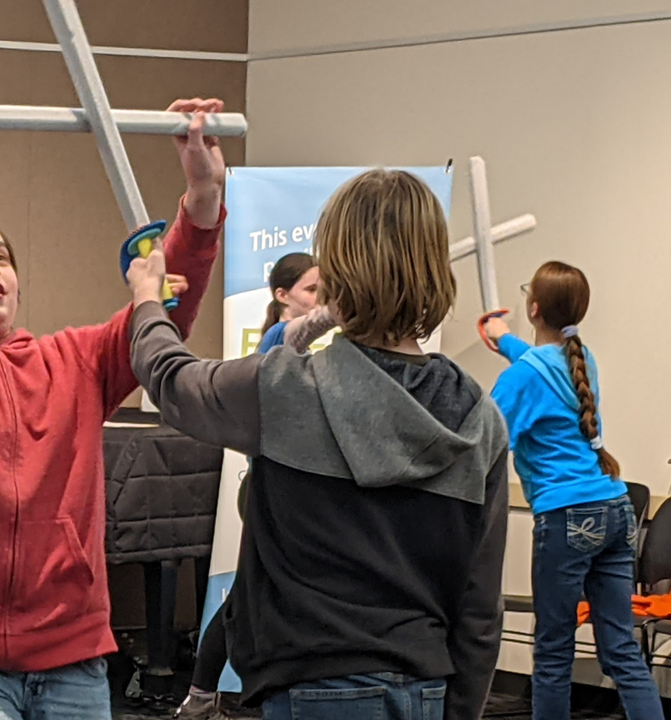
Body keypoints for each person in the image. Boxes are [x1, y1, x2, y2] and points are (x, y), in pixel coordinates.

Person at [0, 86, 226, 719]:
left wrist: (202, 196)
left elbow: (164, 307)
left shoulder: (75, 360)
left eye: (2, 257)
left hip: (70, 654)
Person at [126, 168, 508, 720]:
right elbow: (479, 608)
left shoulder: (283, 389)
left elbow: (168, 377)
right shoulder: (480, 418)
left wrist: (147, 301)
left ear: (336, 274)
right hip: (424, 691)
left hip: (309, 688)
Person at [482, 262, 663, 720]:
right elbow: (539, 367)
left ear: (533, 308)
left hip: (568, 516)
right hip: (615, 508)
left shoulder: (524, 378)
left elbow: (484, 441)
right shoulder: (583, 359)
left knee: (553, 651)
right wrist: (505, 340)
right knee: (621, 649)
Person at [177, 251, 322, 719]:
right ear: (282, 295)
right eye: (313, 290)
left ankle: (207, 698)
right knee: (247, 596)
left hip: (297, 492)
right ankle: (201, 698)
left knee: (260, 594)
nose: (322, 300)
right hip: (269, 492)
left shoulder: (310, 353)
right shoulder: (278, 339)